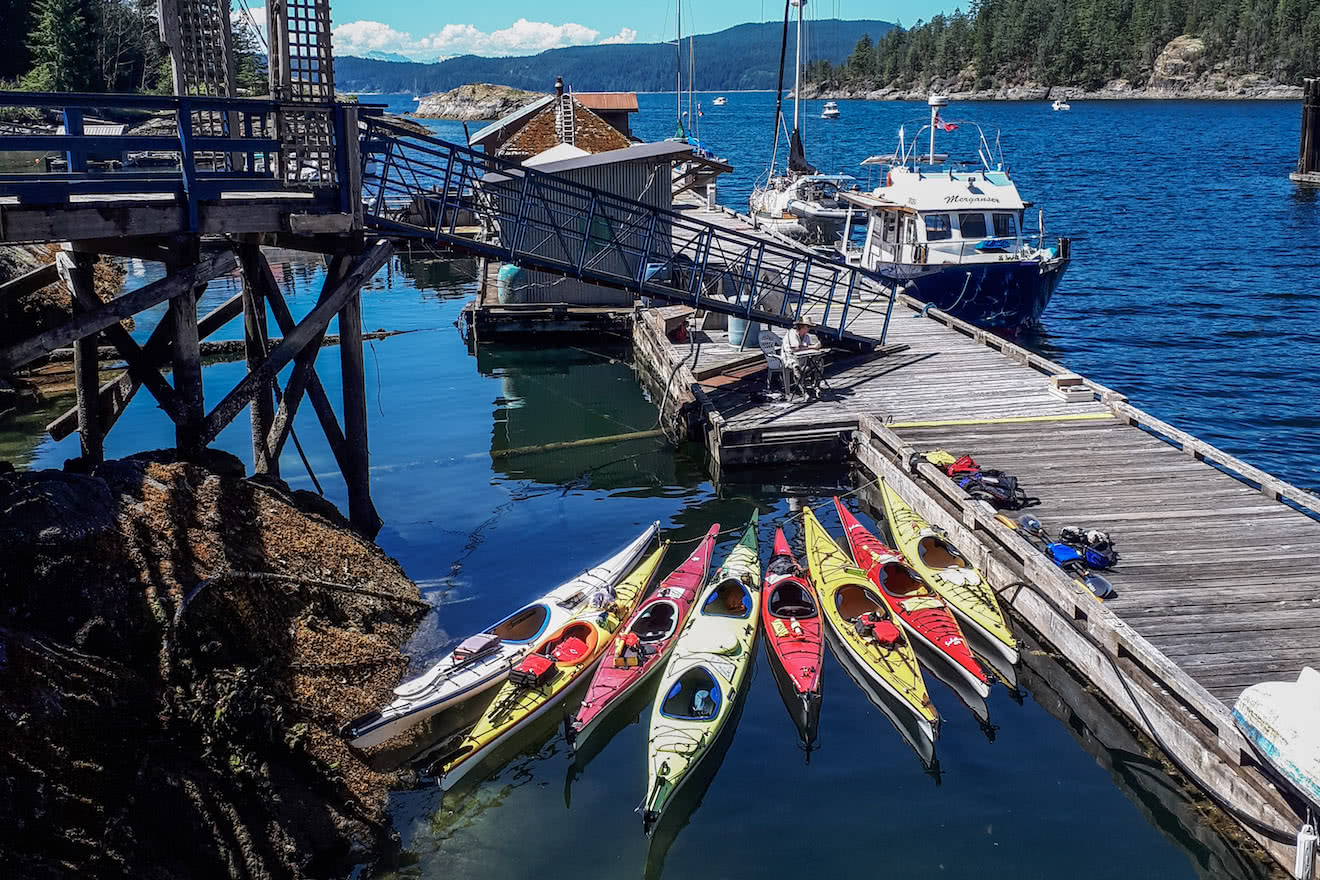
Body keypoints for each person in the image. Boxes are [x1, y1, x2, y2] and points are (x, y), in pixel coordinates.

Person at [781, 320, 820, 395]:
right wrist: (812, 347)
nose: (809, 329)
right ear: (801, 326)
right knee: (796, 367)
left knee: (818, 362)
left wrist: (816, 346)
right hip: (790, 357)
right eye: (807, 326)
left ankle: (816, 386)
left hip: (803, 358)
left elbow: (806, 347)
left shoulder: (806, 336)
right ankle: (804, 391)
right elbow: (795, 348)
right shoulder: (792, 333)